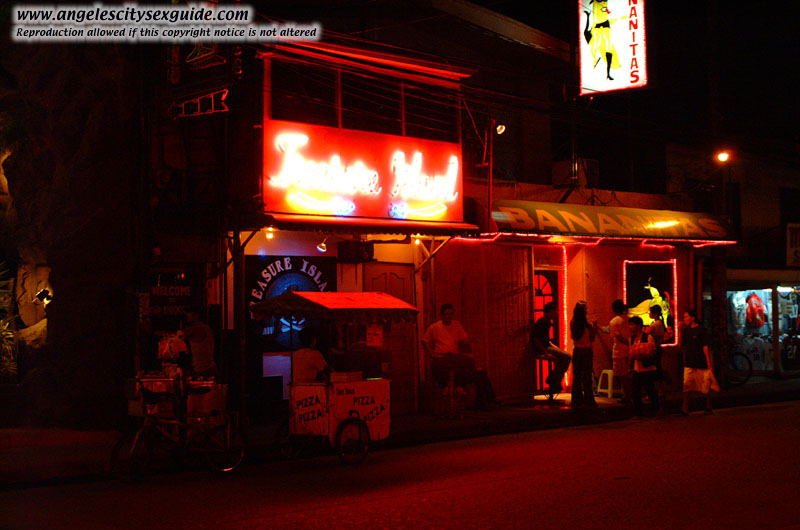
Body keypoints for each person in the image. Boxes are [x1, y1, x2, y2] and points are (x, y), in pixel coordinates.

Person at [423, 304, 496, 410]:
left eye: (451, 314)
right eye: (447, 314)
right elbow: (425, 341)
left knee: (474, 368)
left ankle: (469, 391)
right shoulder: (435, 327)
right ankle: (449, 386)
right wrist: (432, 353)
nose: (449, 316)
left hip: (454, 357)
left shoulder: (456, 324)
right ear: (442, 315)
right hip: (442, 357)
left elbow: (464, 339)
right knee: (438, 366)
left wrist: (472, 339)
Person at [531, 302, 572, 399]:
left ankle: (554, 380)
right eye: (555, 311)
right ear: (550, 311)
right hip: (542, 349)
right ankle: (554, 379)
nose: (557, 313)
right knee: (567, 357)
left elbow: (546, 340)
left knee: (564, 357)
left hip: (546, 347)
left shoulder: (545, 321)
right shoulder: (544, 322)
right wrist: (545, 352)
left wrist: (556, 348)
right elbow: (536, 339)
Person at [681, 309, 718, 415]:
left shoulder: (701, 330)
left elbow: (705, 346)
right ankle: (685, 407)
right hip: (689, 361)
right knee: (687, 384)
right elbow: (682, 346)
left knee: (705, 383)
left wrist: (708, 361)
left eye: (686, 317)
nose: (684, 319)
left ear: (692, 318)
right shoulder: (686, 331)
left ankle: (708, 405)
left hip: (700, 361)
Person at [628, 316, 660, 418]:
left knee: (650, 390)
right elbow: (630, 353)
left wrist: (643, 354)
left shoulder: (648, 337)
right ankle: (638, 413)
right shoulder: (632, 339)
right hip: (637, 368)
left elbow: (653, 351)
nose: (630, 327)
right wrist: (629, 367)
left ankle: (657, 409)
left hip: (647, 368)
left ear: (638, 326)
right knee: (635, 391)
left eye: (632, 324)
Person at [569, 301, 598, 409]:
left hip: (577, 351)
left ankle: (576, 400)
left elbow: (574, 337)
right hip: (586, 351)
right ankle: (589, 400)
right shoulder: (587, 325)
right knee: (587, 376)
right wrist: (594, 327)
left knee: (577, 377)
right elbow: (592, 338)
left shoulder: (573, 323)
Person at [183, 308, 217, 379]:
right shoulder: (207, 328)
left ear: (197, 315)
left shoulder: (197, 329)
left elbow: (181, 334)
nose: (187, 315)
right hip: (209, 368)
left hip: (202, 371)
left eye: (189, 313)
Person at [609, 299, 631, 403]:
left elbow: (617, 336)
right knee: (629, 373)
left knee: (622, 375)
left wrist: (626, 342)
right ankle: (629, 394)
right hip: (630, 351)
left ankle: (626, 395)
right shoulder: (628, 320)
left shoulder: (614, 321)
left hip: (619, 351)